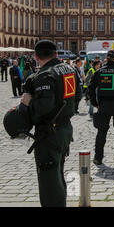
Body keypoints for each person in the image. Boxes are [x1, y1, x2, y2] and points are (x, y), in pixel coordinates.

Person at [19, 40, 80, 207]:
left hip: (49, 132)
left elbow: (44, 108)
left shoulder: (45, 75)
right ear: (56, 54)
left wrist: (27, 104)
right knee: (57, 173)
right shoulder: (69, 69)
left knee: (49, 181)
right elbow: (78, 96)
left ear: (36, 56)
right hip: (65, 129)